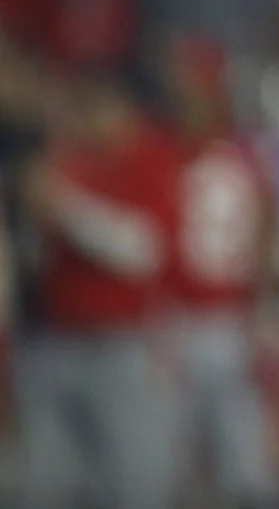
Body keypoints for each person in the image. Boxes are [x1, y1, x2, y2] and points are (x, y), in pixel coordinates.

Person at [17, 73, 182, 509]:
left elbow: (143, 250)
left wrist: (66, 209)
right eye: (83, 109)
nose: (90, 121)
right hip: (53, 338)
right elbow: (36, 258)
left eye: (99, 109)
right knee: (45, 483)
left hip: (121, 342)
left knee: (131, 481)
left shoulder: (152, 160)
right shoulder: (63, 160)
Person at [165, 35, 279, 508]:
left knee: (237, 450)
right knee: (180, 453)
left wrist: (264, 305)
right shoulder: (232, 157)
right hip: (179, 319)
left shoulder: (215, 158)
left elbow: (270, 232)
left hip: (225, 317)